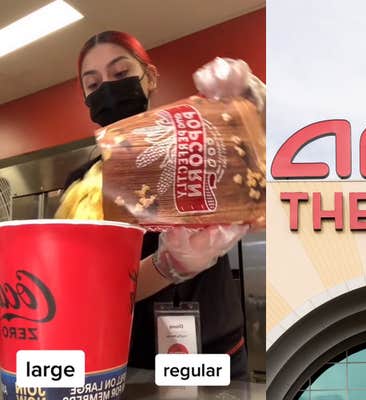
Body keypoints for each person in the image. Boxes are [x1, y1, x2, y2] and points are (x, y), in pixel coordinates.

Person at [60, 31, 265, 379]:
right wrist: (169, 265)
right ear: (87, 101)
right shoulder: (84, 183)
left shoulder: (196, 141)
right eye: (93, 85)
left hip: (216, 348)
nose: (108, 88)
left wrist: (249, 108)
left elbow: (259, 174)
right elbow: (93, 288)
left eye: (121, 74)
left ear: (150, 77)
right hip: (135, 354)